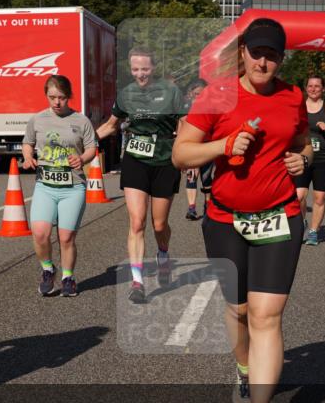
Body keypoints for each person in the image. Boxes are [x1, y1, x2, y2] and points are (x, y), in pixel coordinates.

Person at [172, 18, 311, 403]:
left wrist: (303, 159)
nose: (262, 61)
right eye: (256, 52)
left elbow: (303, 140)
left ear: (281, 58)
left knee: (266, 316)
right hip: (225, 218)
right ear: (243, 54)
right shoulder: (217, 95)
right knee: (238, 311)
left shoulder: (292, 97)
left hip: (280, 216)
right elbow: (181, 153)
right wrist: (222, 145)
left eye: (271, 54)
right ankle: (244, 366)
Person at [96, 48, 187, 303]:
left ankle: (163, 253)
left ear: (153, 68)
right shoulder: (126, 94)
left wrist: (186, 152)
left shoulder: (171, 92)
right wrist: (86, 140)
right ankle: (137, 282)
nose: (140, 74)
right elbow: (111, 125)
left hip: (164, 160)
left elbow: (184, 125)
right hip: (135, 159)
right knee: (137, 222)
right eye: (135, 69)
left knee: (159, 225)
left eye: (144, 69)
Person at [22, 75, 97, 297]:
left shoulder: (81, 121)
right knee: (40, 234)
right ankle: (47, 270)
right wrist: (28, 157)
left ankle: (67, 277)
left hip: (73, 187)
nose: (56, 102)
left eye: (61, 98)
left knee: (66, 237)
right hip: (45, 185)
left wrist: (82, 159)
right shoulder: (37, 119)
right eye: (52, 97)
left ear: (69, 97)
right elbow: (28, 142)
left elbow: (92, 148)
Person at [295, 74, 325, 245]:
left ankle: (314, 231)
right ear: (306, 88)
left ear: (323, 89)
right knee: (298, 196)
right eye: (310, 86)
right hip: (303, 157)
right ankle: (301, 224)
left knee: (319, 198)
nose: (313, 89)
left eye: (317, 86)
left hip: (323, 159)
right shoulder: (298, 107)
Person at [183, 78, 209, 220]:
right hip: (191, 147)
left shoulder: (212, 108)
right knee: (191, 177)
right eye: (197, 94)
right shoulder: (186, 108)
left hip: (207, 146)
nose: (200, 97)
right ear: (191, 94)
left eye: (203, 94)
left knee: (207, 179)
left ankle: (207, 207)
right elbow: (181, 128)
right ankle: (191, 208)